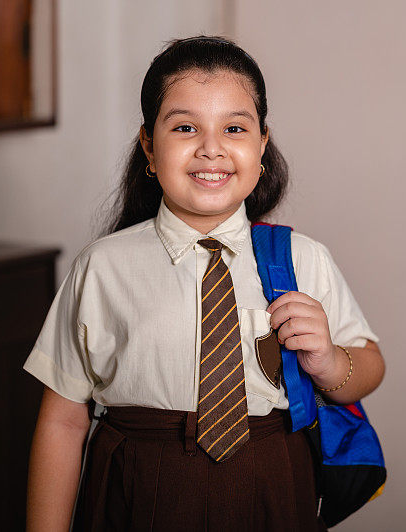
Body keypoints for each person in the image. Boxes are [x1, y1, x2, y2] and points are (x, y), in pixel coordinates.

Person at [23, 35, 385, 531]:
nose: (211, 148)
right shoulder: (101, 268)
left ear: (261, 146)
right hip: (136, 490)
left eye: (234, 128)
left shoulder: (303, 259)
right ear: (150, 145)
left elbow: (368, 366)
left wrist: (327, 361)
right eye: (186, 127)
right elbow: (63, 422)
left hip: (273, 481)